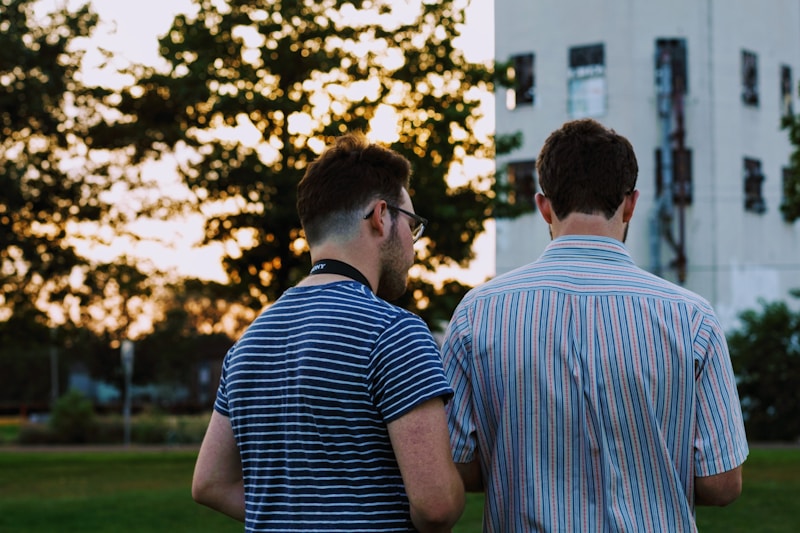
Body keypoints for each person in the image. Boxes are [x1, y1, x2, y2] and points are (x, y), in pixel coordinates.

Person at [441, 118, 748, 532]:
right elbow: (722, 484)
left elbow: (456, 466)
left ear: (543, 205)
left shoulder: (478, 313)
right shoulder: (691, 318)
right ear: (631, 203)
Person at [192, 131, 465, 532]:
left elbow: (210, 483)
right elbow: (436, 506)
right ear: (380, 216)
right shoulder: (393, 333)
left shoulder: (248, 344)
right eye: (413, 225)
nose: (413, 243)